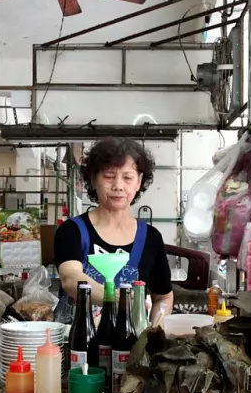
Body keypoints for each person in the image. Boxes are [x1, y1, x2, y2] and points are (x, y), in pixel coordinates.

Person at [53, 137, 173, 322]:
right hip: (76, 343)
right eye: (109, 176)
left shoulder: (151, 238)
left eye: (127, 177)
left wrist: (154, 329)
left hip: (129, 347)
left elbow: (163, 297)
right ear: (93, 179)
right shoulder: (72, 231)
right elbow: (70, 278)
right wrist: (116, 298)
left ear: (138, 182)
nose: (118, 186)